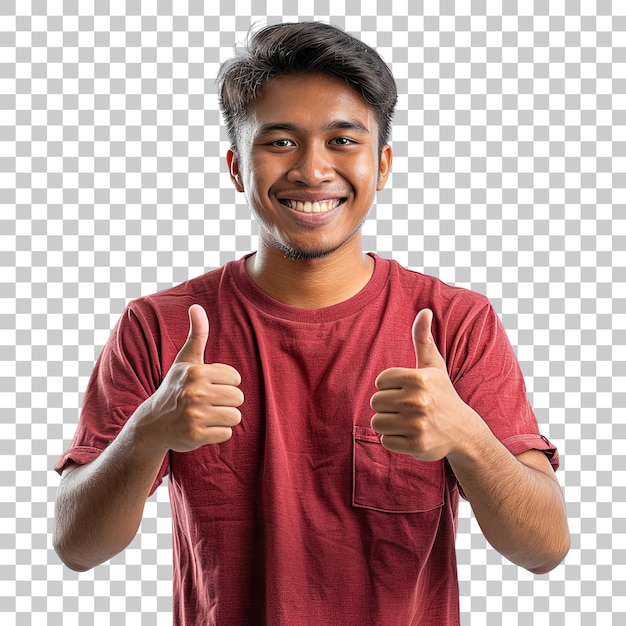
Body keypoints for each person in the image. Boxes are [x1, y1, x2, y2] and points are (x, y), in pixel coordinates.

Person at [53, 21, 570, 625]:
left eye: (342, 141)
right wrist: (148, 432)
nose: (312, 170)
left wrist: (467, 437)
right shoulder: (160, 326)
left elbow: (544, 550)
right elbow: (77, 547)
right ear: (236, 168)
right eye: (279, 142)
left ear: (382, 165)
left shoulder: (455, 322)